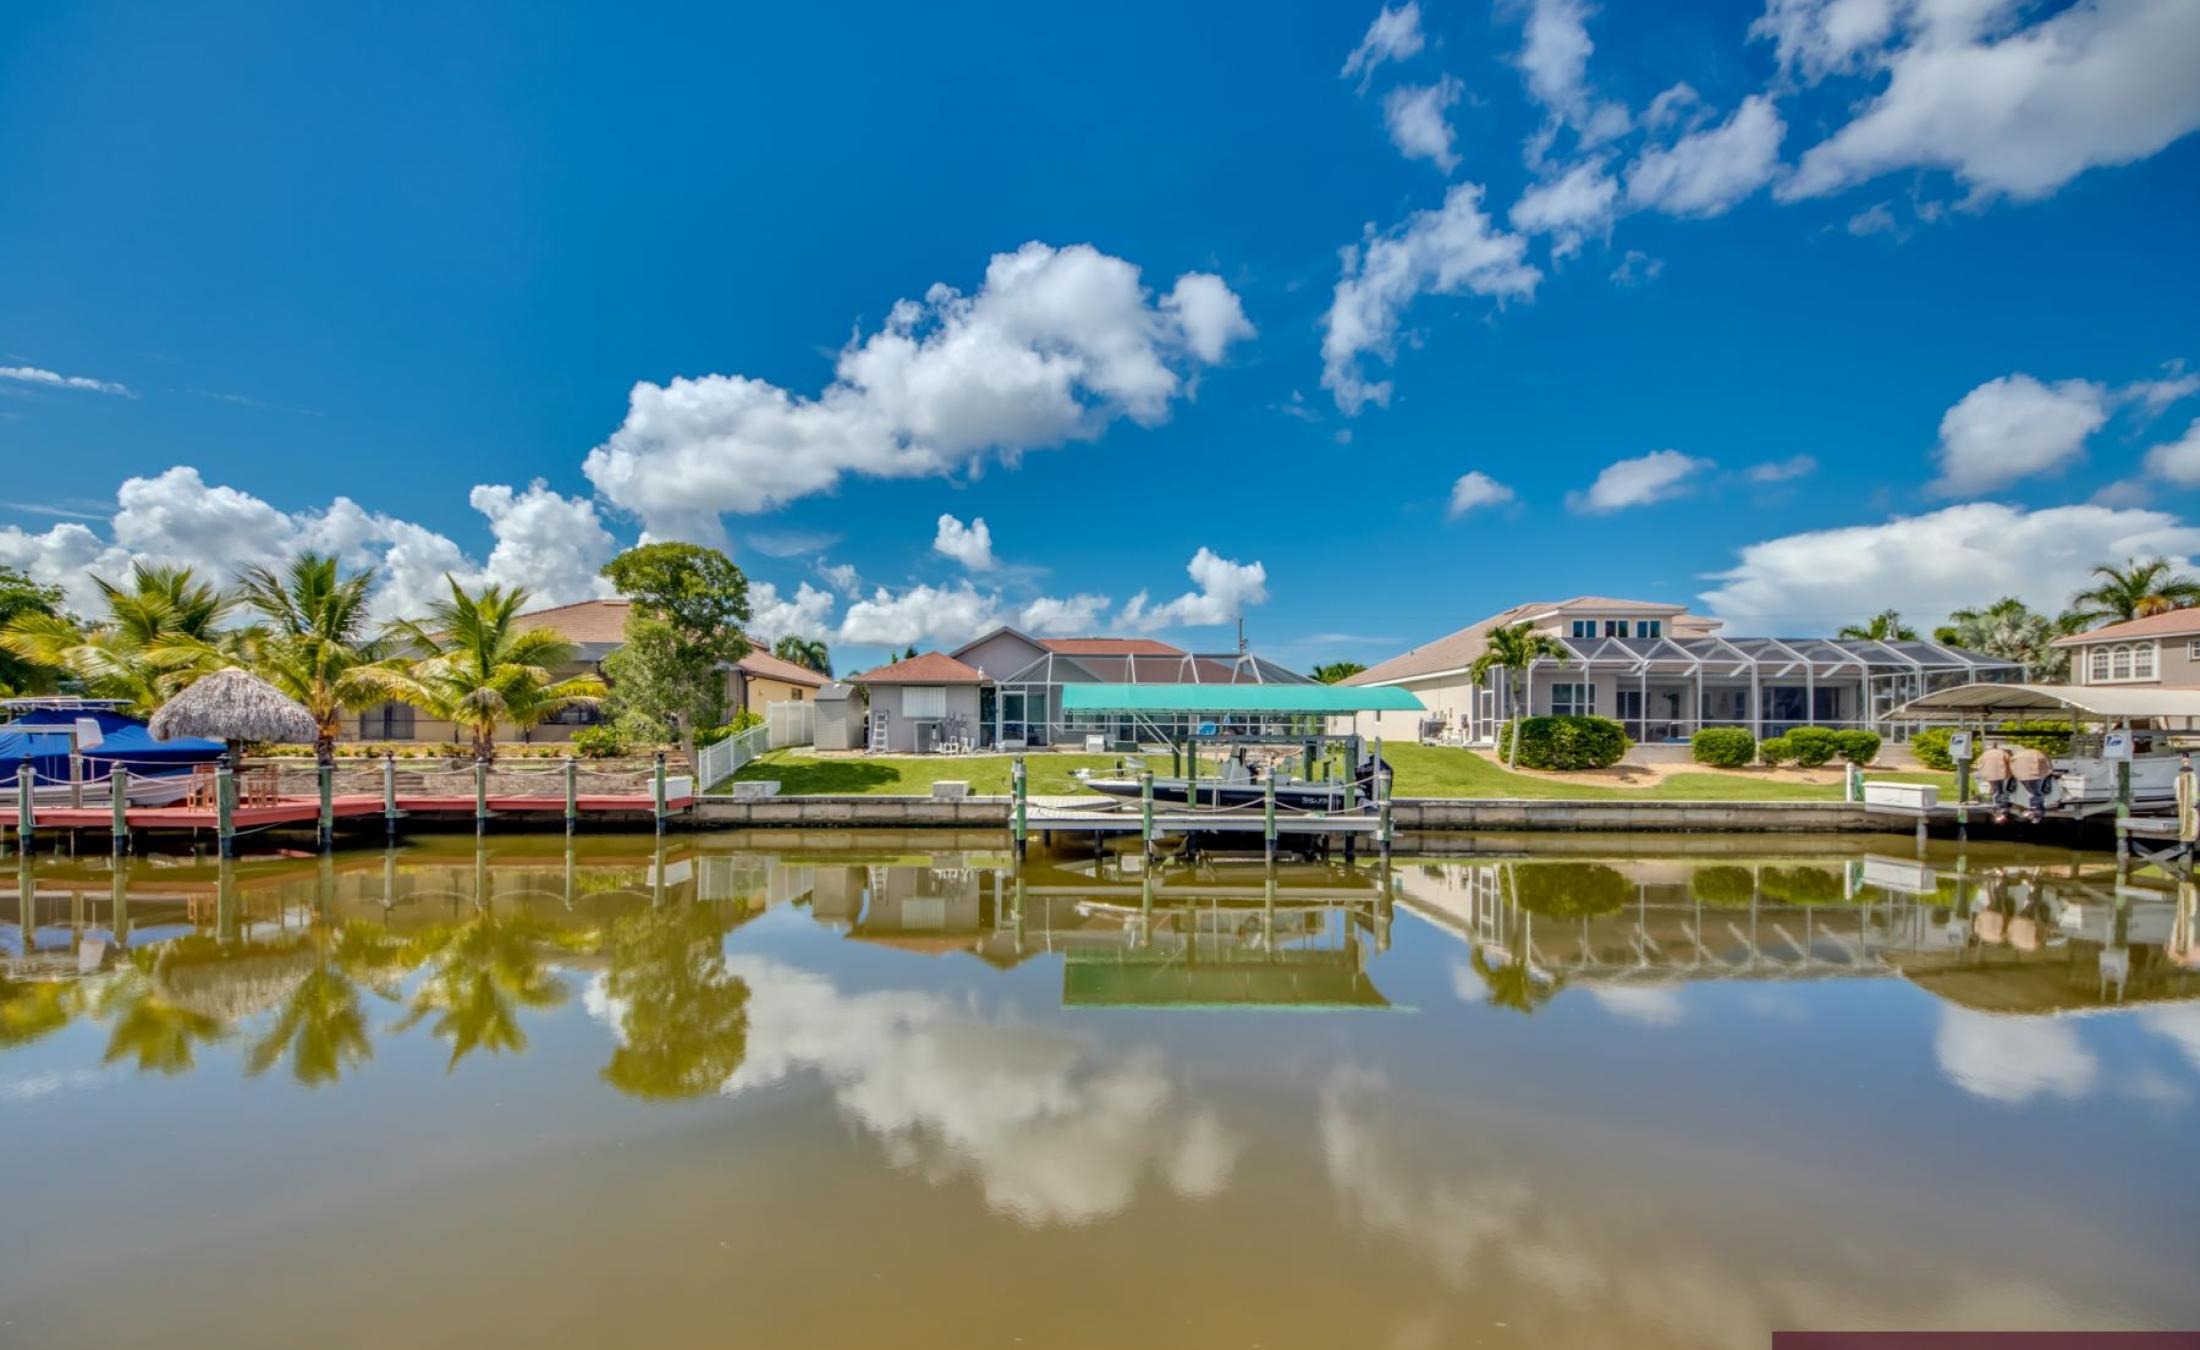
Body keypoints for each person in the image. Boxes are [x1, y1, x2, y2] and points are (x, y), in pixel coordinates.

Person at [2008, 741, 2055, 824]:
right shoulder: (2038, 753)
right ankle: (2035, 808)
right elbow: (2047, 764)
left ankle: (2034, 808)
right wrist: (2048, 772)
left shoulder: (2018, 754)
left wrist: (2015, 774)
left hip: (2021, 776)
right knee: (2035, 792)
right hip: (2034, 775)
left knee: (2030, 792)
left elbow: (2012, 764)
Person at [1974, 741, 2015, 824]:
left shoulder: (1984, 754)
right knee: (2002, 790)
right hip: (2002, 773)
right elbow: (2011, 762)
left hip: (1989, 774)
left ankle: (1996, 805)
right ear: (1997, 746)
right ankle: (2002, 807)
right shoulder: (2003, 753)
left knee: (1994, 789)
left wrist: (1983, 771)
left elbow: (1978, 763)